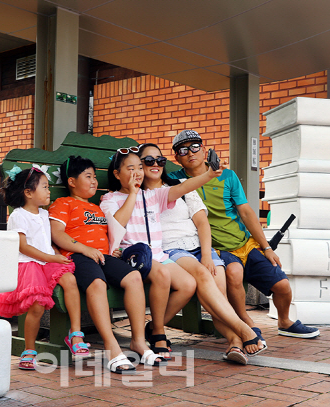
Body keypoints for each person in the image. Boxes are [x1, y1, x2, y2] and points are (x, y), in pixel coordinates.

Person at [101, 146, 264, 359]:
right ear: (116, 174)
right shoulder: (110, 199)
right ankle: (159, 330)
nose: (138, 172)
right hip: (133, 256)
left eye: (139, 167)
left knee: (188, 284)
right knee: (163, 275)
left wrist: (209, 174)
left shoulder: (152, 196)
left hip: (157, 254)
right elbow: (118, 224)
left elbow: (182, 188)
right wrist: (132, 193)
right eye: (131, 168)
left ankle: (156, 327)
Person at [168, 130, 320, 342]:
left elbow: (246, 212)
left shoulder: (227, 176)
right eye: (183, 150)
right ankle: (245, 321)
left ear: (204, 150)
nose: (190, 153)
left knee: (282, 285)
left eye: (195, 147)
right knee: (234, 272)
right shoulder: (175, 180)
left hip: (245, 243)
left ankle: (284, 321)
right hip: (216, 249)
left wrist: (266, 247)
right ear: (176, 157)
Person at [49, 156, 166, 373]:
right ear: (72, 182)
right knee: (97, 283)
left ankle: (138, 341)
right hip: (78, 255)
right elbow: (56, 234)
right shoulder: (63, 203)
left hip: (103, 255)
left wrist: (113, 248)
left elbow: (109, 233)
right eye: (88, 176)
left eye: (95, 176)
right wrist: (85, 249)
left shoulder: (97, 207)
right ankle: (112, 347)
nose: (94, 181)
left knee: (134, 277)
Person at [0, 167, 90, 371]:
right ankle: (29, 350)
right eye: (45, 187)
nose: (49, 191)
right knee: (36, 305)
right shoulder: (18, 216)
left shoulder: (45, 214)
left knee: (70, 281)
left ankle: (75, 333)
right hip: (29, 263)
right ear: (28, 192)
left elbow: (47, 240)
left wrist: (55, 255)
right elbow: (23, 246)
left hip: (48, 260)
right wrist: (50, 257)